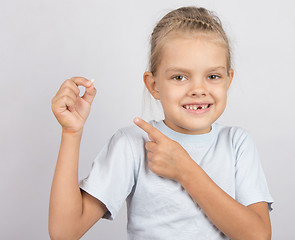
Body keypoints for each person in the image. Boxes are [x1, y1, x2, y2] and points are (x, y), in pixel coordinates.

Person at [49, 6, 273, 240]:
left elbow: (258, 236)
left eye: (213, 76)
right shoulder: (133, 144)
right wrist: (71, 133)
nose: (198, 90)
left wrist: (185, 170)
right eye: (179, 77)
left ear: (228, 80)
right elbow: (64, 232)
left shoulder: (237, 144)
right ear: (154, 85)